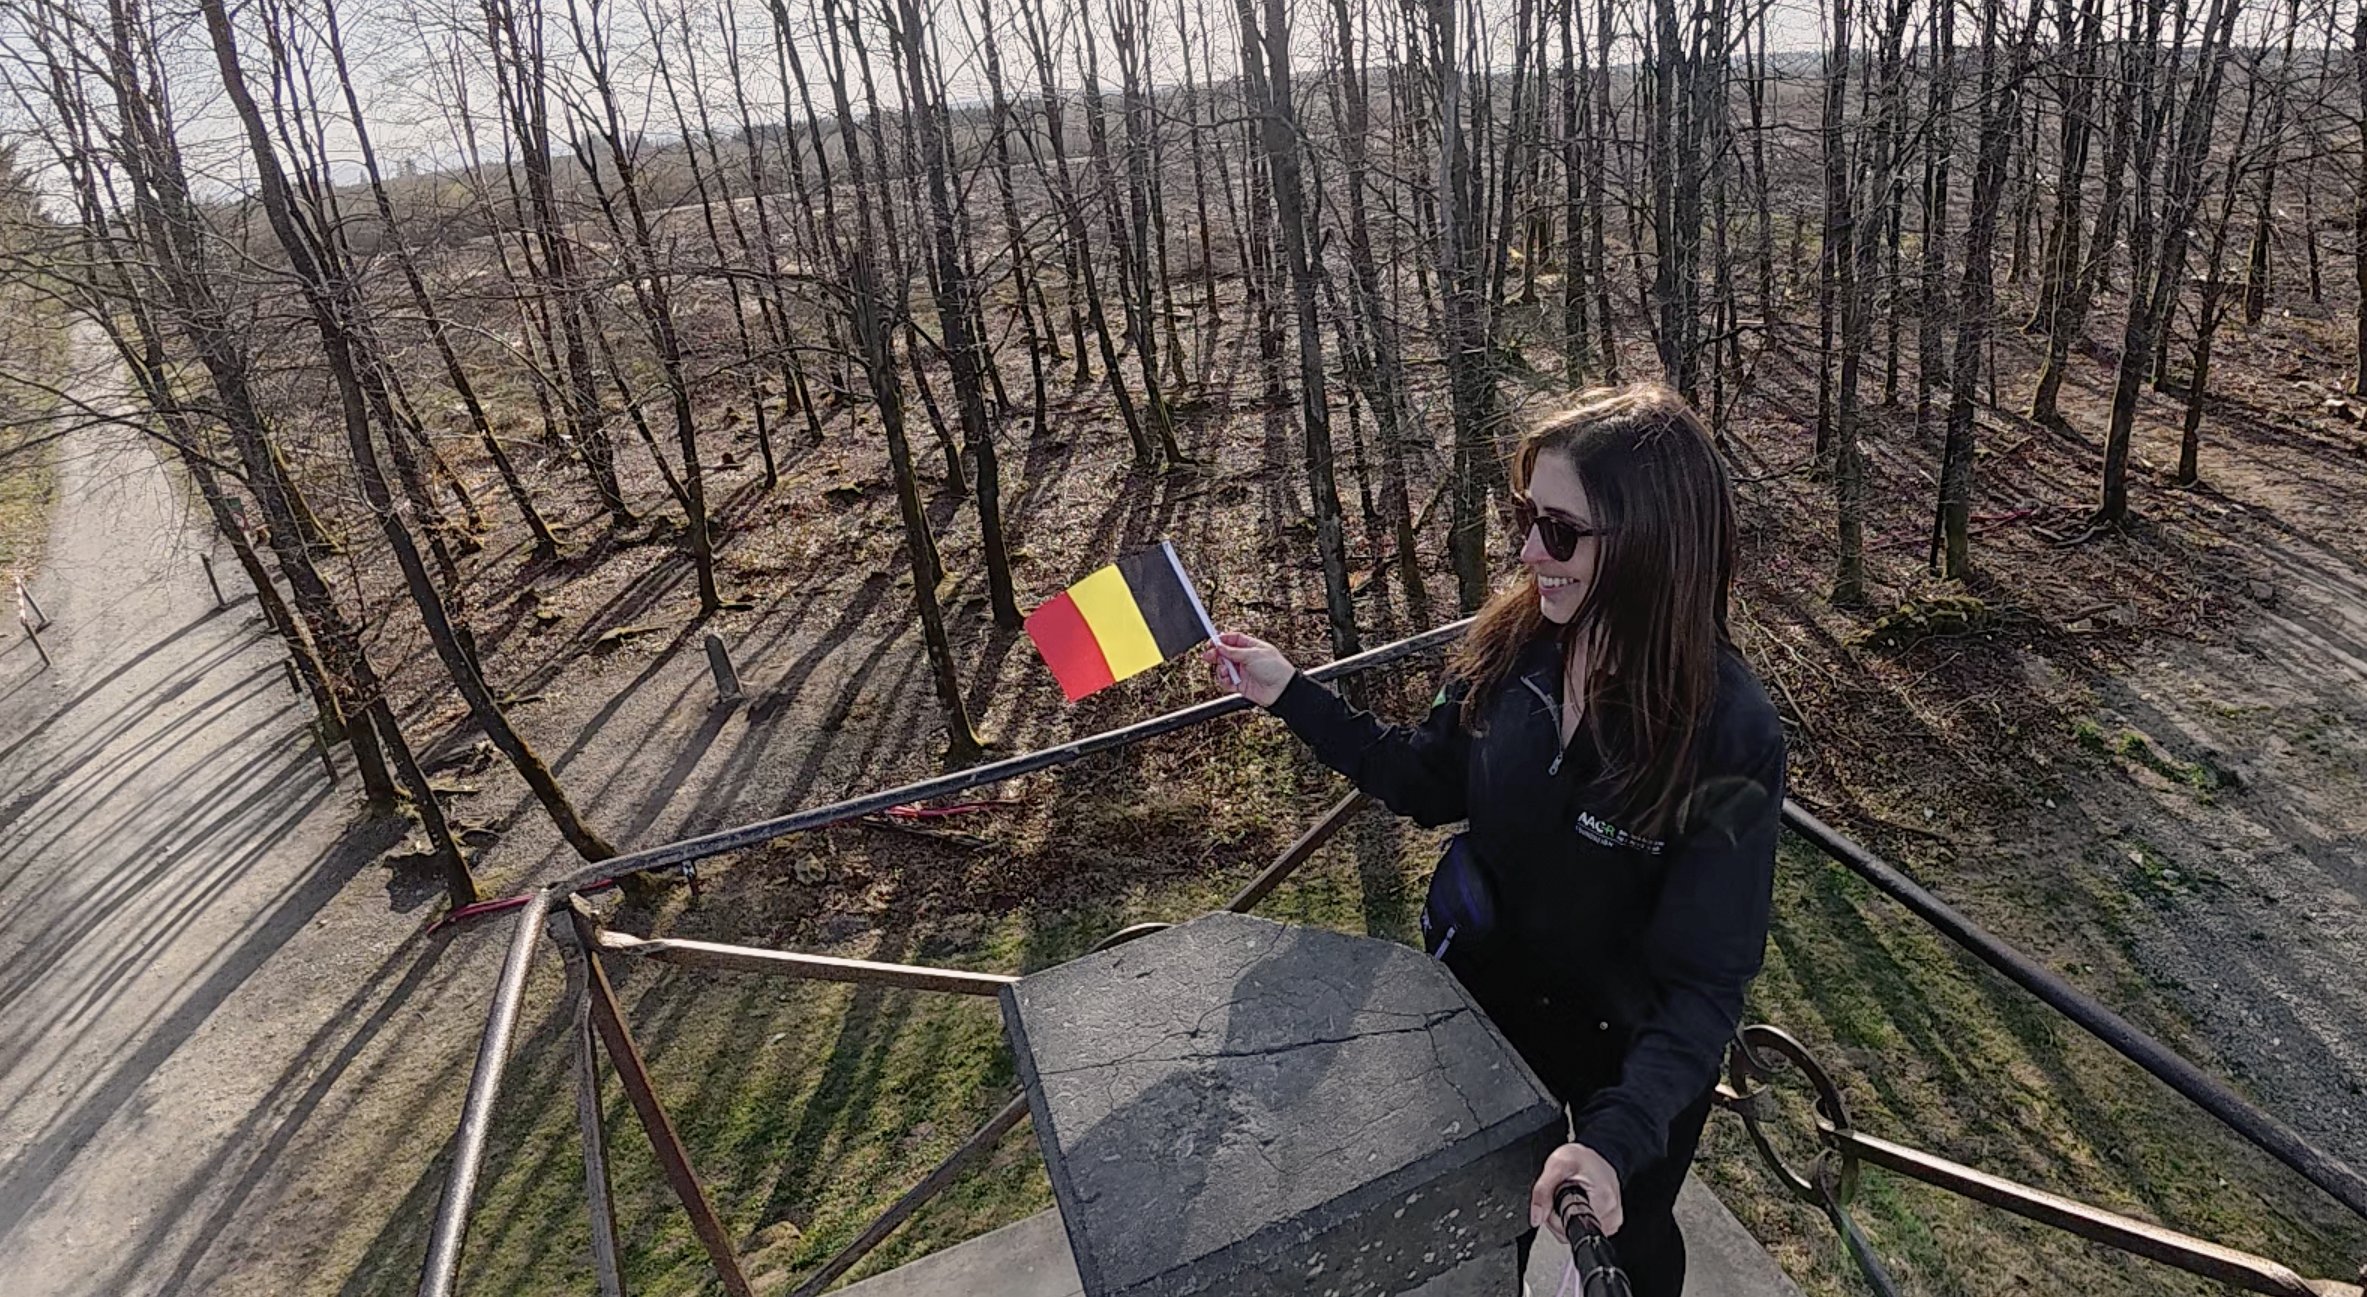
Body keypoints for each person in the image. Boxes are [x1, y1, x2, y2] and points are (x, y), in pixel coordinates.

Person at [1203, 385, 1785, 1297]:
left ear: (1652, 542)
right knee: (1486, 1231)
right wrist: (1292, 694)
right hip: (1492, 1012)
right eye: (1524, 517)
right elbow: (1423, 778)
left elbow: (1707, 981)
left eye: (1559, 530)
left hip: (1631, 1049)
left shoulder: (1728, 733)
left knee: (1633, 1240)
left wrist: (1613, 1139)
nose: (1526, 552)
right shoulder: (1516, 646)